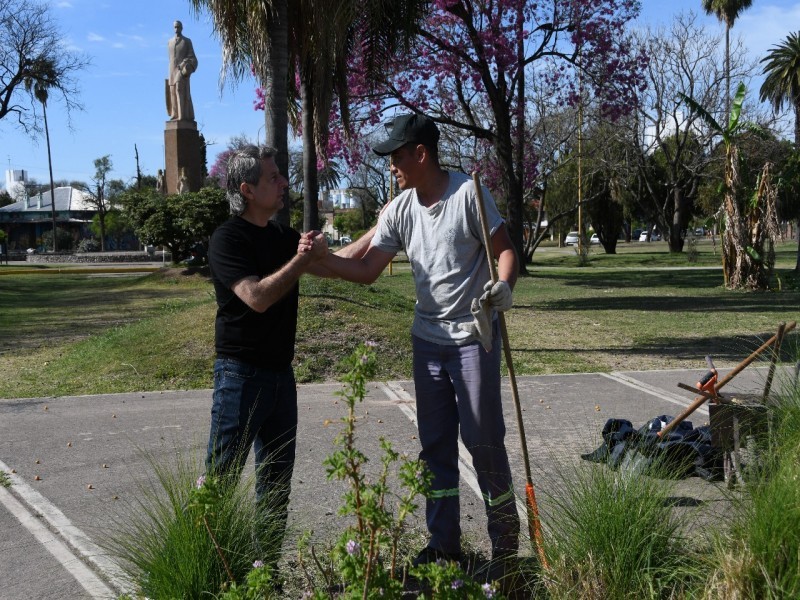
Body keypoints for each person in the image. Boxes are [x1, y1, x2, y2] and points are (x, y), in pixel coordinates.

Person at [319, 114, 520, 581]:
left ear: (421, 154)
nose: (391, 167)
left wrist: (503, 285)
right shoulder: (402, 207)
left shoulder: (469, 193)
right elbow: (367, 267)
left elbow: (504, 248)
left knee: (485, 444)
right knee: (435, 447)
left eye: (396, 157)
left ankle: (505, 550)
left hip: (474, 339)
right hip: (427, 343)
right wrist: (316, 263)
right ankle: (443, 544)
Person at [205, 144, 369, 564]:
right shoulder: (228, 238)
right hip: (239, 377)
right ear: (247, 189)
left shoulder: (280, 236)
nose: (283, 183)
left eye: (281, 174)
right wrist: (299, 260)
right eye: (273, 177)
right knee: (221, 479)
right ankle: (209, 569)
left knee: (276, 483)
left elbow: (338, 262)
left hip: (281, 378)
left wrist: (381, 225)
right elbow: (256, 297)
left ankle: (266, 571)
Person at [167, 20, 197, 121]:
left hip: (181, 71)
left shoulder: (187, 41)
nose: (176, 29)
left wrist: (185, 63)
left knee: (180, 90)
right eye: (175, 27)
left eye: (178, 27)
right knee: (172, 92)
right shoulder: (169, 42)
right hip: (171, 71)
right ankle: (175, 114)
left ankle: (182, 115)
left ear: (182, 28)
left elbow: (193, 58)